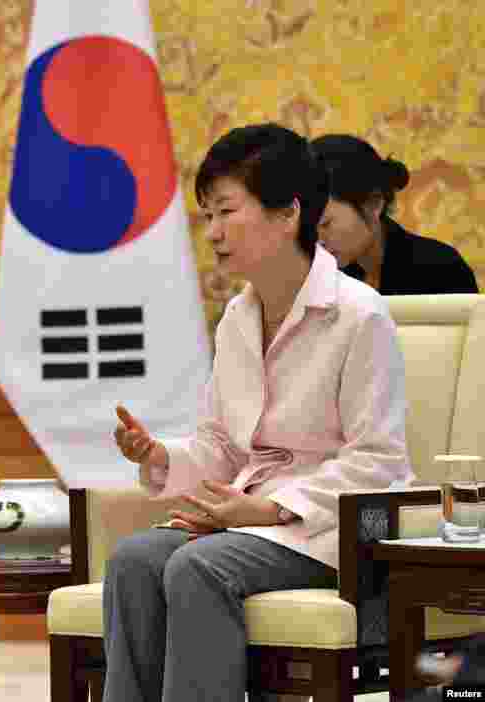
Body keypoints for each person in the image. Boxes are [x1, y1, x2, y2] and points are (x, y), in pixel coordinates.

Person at [103, 124, 412, 702]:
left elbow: (379, 461)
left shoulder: (359, 316)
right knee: (135, 559)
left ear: (287, 213)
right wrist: (159, 456)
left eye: (225, 212)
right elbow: (221, 445)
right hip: (251, 519)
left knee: (199, 567)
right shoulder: (239, 318)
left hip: (332, 528)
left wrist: (266, 509)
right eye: (206, 217)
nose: (213, 233)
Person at [311, 133, 479, 294]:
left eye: (326, 224)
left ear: (373, 204)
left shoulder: (442, 269)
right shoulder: (321, 279)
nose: (318, 241)